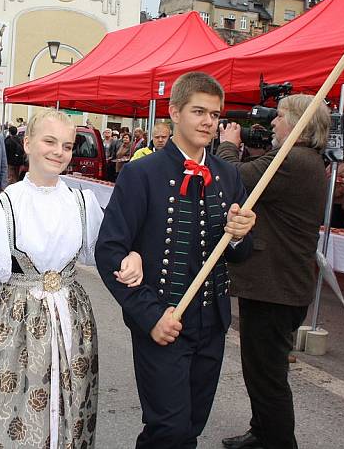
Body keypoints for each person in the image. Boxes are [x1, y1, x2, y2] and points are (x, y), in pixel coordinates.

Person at [0, 108, 141, 448]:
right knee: (15, 416)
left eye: (67, 146)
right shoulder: (2, 207)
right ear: (27, 143)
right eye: (49, 142)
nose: (59, 152)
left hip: (72, 322)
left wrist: (133, 256)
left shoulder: (82, 202)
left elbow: (108, 253)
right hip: (15, 324)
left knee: (70, 407)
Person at [95, 72, 256, 448]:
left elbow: (242, 255)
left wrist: (241, 234)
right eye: (198, 111)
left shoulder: (228, 175)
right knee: (168, 430)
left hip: (212, 322)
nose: (208, 122)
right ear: (174, 112)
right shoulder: (141, 173)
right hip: (162, 321)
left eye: (214, 115)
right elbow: (110, 251)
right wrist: (150, 316)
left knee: (191, 426)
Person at [217, 94, 330, 449]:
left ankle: (278, 441)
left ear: (299, 123)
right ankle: (261, 433)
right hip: (277, 285)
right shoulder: (302, 159)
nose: (271, 124)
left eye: (279, 117)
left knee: (268, 377)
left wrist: (227, 145)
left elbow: (234, 177)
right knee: (260, 371)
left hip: (275, 287)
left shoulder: (294, 159)